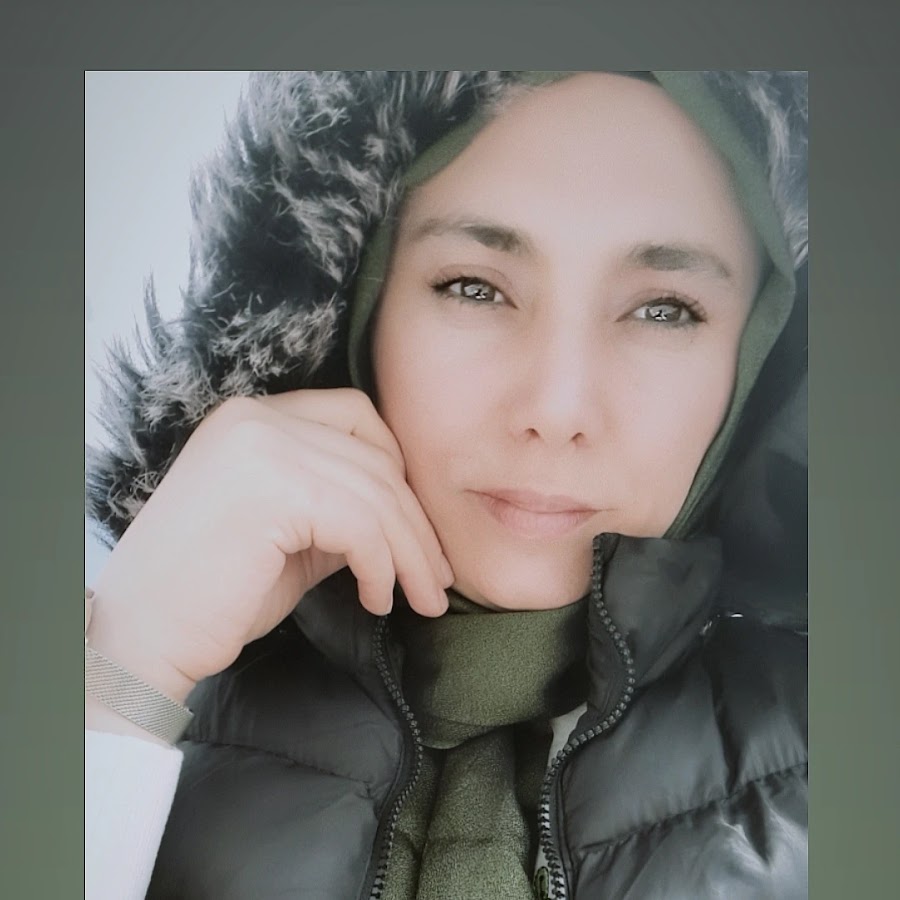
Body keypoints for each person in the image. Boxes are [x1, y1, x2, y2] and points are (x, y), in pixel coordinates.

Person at [85, 71, 808, 900]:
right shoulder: (139, 694)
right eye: (475, 288)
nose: (557, 409)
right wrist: (118, 687)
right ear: (352, 306)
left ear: (760, 357)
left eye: (664, 310)